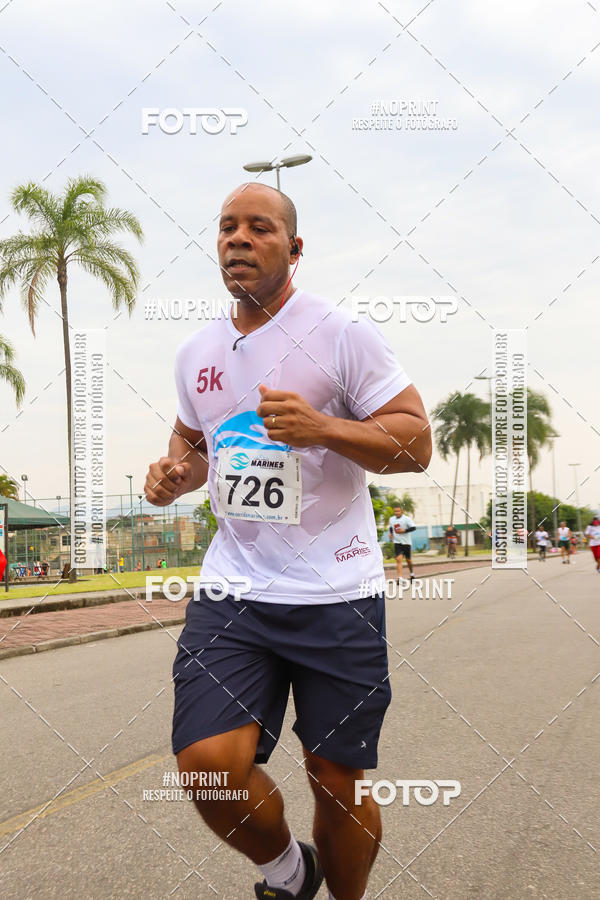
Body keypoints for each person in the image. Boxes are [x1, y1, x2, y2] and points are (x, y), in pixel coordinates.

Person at [144, 182, 431, 900]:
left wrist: (325, 428)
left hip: (338, 592)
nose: (238, 238)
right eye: (227, 227)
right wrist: (174, 475)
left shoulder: (341, 333)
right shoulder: (197, 351)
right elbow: (194, 444)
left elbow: (416, 442)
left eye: (259, 228)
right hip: (234, 590)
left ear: (294, 249)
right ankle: (288, 873)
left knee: (334, 782)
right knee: (208, 764)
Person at [387, 506, 416, 580]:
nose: (396, 513)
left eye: (398, 511)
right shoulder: (391, 519)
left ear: (401, 511)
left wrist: (404, 530)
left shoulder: (406, 519)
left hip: (406, 542)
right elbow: (391, 527)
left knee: (408, 560)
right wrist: (391, 533)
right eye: (395, 511)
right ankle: (400, 577)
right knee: (398, 559)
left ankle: (412, 573)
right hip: (397, 542)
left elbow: (413, 527)